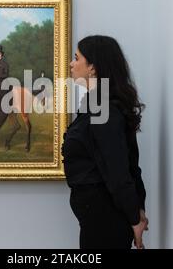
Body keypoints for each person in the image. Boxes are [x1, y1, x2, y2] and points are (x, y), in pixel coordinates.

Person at [61, 35, 148, 249]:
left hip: (106, 219)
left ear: (92, 67)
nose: (72, 64)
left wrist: (135, 218)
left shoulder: (104, 108)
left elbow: (120, 170)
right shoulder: (95, 102)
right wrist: (137, 208)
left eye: (76, 58)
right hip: (98, 217)